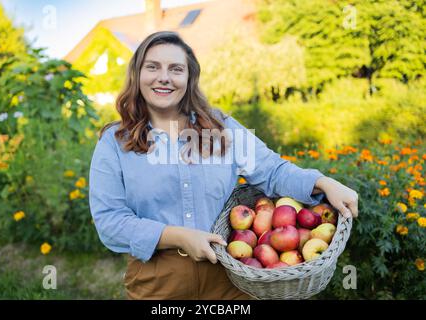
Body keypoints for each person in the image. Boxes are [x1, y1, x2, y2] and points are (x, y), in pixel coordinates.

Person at [88, 31, 358, 300]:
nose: (164, 77)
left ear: (189, 78)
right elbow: (110, 221)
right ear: (137, 75)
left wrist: (323, 182)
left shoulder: (221, 127)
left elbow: (273, 171)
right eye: (153, 67)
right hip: (157, 281)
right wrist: (178, 236)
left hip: (230, 276)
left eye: (176, 69)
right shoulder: (115, 142)